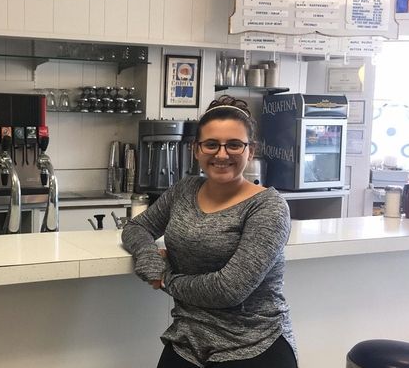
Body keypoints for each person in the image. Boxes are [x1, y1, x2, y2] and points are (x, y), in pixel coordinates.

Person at [121, 95, 297, 368]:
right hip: (187, 339)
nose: (222, 154)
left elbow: (229, 289)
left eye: (234, 145)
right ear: (196, 149)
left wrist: (166, 279)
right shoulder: (184, 190)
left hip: (252, 342)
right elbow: (137, 226)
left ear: (251, 150)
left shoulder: (268, 207)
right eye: (211, 144)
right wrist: (149, 255)